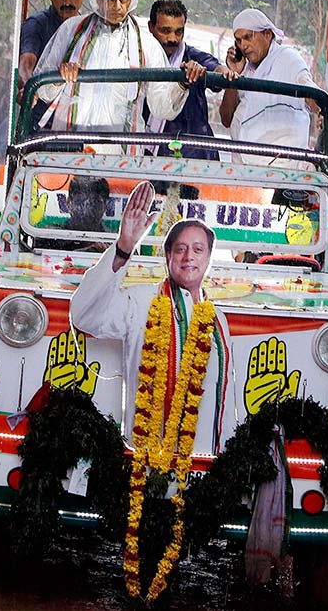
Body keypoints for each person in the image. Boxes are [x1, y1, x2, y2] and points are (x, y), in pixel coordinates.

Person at [69, 181, 237, 456]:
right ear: (167, 256)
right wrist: (123, 247)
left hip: (205, 469)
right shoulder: (142, 301)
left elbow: (224, 397)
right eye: (180, 249)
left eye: (198, 249)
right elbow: (83, 314)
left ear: (208, 259)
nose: (188, 257)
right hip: (145, 464)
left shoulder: (217, 319)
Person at [32, 0, 205, 152]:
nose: (117, 6)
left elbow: (161, 108)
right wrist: (59, 77)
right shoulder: (71, 30)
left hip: (121, 159)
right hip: (69, 150)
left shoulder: (147, 44)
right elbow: (41, 91)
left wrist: (182, 85)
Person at [219, 8, 319, 165]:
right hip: (242, 169)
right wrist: (233, 77)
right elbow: (226, 119)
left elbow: (310, 91)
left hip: (281, 170)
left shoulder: (287, 59)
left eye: (248, 37)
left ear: (267, 34)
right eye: (238, 40)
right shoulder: (244, 69)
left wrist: (323, 113)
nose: (243, 45)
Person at [147, 0, 237, 160]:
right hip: (151, 153)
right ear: (151, 27)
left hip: (195, 155)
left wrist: (226, 71)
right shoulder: (141, 57)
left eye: (178, 31)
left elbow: (216, 69)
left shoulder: (193, 59)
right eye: (165, 31)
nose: (172, 38)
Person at [18, 0, 89, 91]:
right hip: (41, 108)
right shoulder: (37, 24)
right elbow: (26, 62)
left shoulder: (90, 28)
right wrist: (28, 89)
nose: (67, 2)